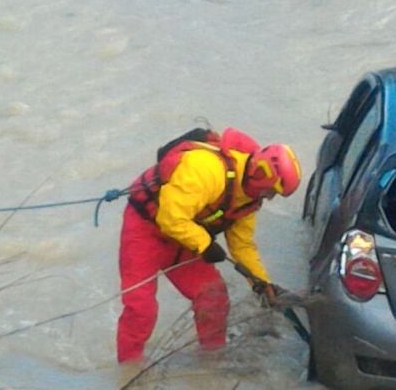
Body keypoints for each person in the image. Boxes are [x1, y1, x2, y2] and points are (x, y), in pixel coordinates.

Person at [116, 127, 301, 364]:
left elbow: (243, 246)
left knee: (213, 296)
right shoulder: (206, 169)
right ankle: (128, 369)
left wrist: (262, 283)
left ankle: (211, 362)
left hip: (183, 238)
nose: (269, 198)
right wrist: (205, 245)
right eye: (271, 191)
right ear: (261, 175)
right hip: (145, 230)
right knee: (141, 310)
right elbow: (170, 218)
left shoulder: (248, 200)